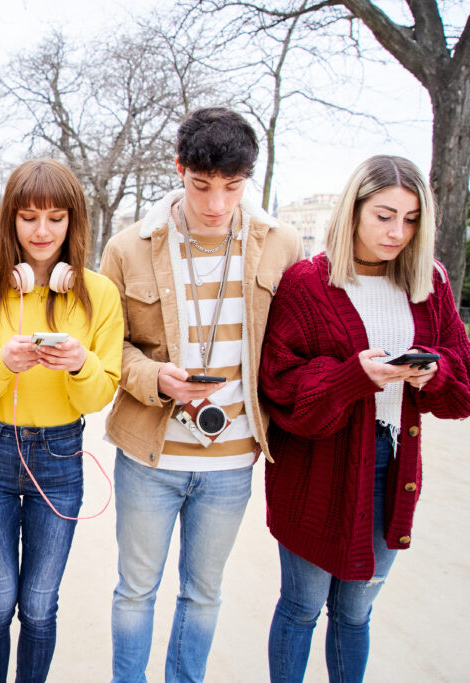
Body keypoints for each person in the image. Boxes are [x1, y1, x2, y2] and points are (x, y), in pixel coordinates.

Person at [99, 107, 303, 682]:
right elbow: (107, 347)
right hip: (150, 455)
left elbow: (295, 345)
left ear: (249, 178)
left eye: (232, 187)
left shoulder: (282, 244)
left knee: (204, 593)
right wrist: (154, 377)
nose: (216, 203)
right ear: (179, 168)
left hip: (232, 462)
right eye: (201, 185)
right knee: (136, 590)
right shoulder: (129, 247)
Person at [259, 155, 470, 682]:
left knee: (355, 613)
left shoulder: (430, 283)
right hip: (316, 469)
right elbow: (280, 387)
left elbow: (462, 386)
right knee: (302, 607)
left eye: (412, 219)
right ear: (352, 210)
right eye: (384, 215)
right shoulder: (306, 283)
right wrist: (352, 378)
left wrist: (435, 373)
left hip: (392, 467)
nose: (398, 232)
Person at [0, 159, 122, 682]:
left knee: (41, 605)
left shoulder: (100, 294)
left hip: (60, 456)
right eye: (28, 218)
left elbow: (100, 395)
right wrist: (2, 363)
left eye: (55, 218)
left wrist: (80, 363)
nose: (41, 231)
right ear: (10, 220)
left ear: (73, 221)